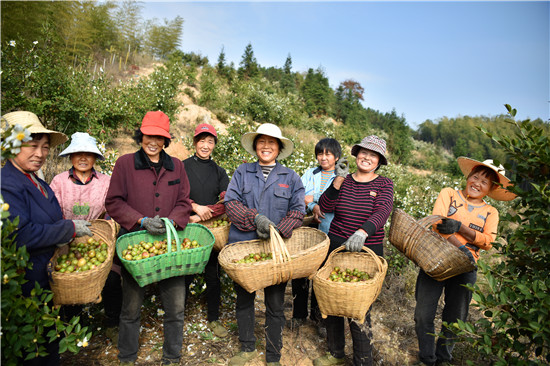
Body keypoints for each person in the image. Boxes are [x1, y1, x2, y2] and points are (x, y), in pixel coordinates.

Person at [1, 111, 93, 365]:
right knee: (33, 352)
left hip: (44, 284)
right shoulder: (7, 184)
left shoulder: (34, 179)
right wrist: (68, 229)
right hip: (26, 288)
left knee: (48, 346)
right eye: (32, 146)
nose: (40, 154)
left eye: (44, 147)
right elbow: (18, 236)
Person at [105, 111, 192, 366]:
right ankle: (127, 356)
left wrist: (172, 221)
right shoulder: (124, 164)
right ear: (140, 136)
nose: (152, 141)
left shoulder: (177, 165)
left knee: (175, 308)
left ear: (166, 140)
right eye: (147, 135)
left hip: (169, 246)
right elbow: (113, 202)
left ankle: (172, 356)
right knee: (131, 308)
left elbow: (184, 201)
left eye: (159, 137)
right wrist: (140, 220)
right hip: (136, 246)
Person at [413, 157, 516, 366]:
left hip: (466, 268)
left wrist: (459, 226)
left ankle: (443, 359)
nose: (477, 183)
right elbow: (437, 224)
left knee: (455, 317)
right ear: (468, 177)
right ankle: (427, 359)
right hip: (436, 259)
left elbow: (488, 242)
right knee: (423, 314)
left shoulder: (491, 212)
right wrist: (462, 247)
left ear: (491, 188)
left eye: (484, 182)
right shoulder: (449, 194)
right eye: (475, 177)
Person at [224, 123, 305, 366]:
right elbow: (231, 203)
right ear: (255, 146)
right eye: (262, 141)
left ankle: (273, 356)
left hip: (275, 250)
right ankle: (247, 347)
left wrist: (279, 231)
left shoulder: (290, 177)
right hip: (244, 247)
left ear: (279, 148)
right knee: (244, 299)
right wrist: (256, 219)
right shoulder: (242, 172)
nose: (266, 146)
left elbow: (298, 211)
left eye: (272, 142)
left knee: (275, 304)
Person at [313, 135, 394, 366]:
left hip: (367, 250)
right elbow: (326, 206)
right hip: (337, 246)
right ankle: (335, 353)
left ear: (379, 161)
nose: (367, 157)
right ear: (356, 155)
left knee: (359, 307)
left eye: (373, 155)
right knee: (333, 299)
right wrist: (337, 180)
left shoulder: (384, 184)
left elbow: (382, 212)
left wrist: (362, 232)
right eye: (363, 152)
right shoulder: (344, 180)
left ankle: (363, 359)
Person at [49, 132, 121, 342]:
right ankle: (75, 328)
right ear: (71, 157)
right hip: (66, 240)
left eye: (88, 154)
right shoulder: (59, 181)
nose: (82, 158)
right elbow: (53, 211)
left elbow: (112, 209)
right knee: (71, 282)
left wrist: (106, 229)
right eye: (77, 153)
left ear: (95, 158)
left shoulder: (105, 182)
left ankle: (112, 322)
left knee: (112, 278)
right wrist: (64, 234)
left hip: (97, 238)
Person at [288, 138, 342, 337]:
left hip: (330, 230)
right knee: (301, 271)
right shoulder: (310, 173)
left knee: (322, 275)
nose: (324, 157)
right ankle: (298, 314)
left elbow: (337, 202)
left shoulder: (341, 177)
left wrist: (315, 201)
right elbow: (301, 195)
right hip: (308, 230)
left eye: (328, 154)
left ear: (336, 157)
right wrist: (312, 205)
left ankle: (319, 317)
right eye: (320, 153)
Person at [182, 123, 230, 338]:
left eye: (210, 141)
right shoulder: (182, 167)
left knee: (213, 275)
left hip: (211, 229)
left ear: (214, 145)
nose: (205, 145)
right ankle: (178, 317)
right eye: (202, 140)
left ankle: (213, 318)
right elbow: (177, 194)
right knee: (184, 274)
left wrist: (205, 212)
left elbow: (225, 200)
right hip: (188, 227)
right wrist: (194, 208)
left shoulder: (219, 172)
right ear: (194, 142)